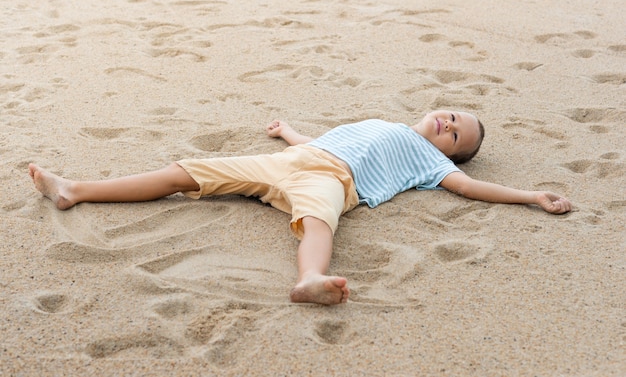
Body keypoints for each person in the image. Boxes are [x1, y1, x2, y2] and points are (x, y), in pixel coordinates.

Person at [29, 110, 572, 305]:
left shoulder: (431, 162)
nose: (447, 127)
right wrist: (288, 132)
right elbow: (325, 141)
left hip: (337, 182)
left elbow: (470, 189)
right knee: (187, 172)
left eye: (456, 137)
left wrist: (531, 196)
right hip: (303, 159)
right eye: (451, 116)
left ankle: (311, 278)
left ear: (451, 153)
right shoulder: (380, 122)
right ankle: (75, 188)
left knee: (317, 223)